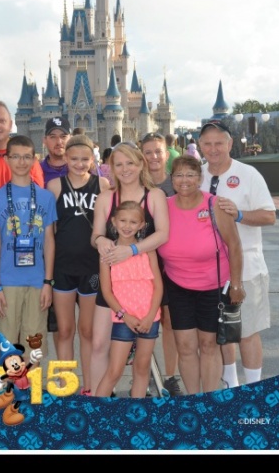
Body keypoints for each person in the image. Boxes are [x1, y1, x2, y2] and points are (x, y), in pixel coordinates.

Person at [157, 155, 244, 395]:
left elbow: (234, 246)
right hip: (177, 287)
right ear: (171, 179)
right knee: (185, 347)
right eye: (178, 175)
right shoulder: (163, 207)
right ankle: (193, 401)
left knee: (208, 345)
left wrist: (236, 284)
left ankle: (209, 401)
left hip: (213, 287)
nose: (184, 180)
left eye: (190, 174)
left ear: (199, 178)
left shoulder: (215, 205)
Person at [198, 120, 276, 387]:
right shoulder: (196, 176)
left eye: (219, 143)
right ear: (199, 146)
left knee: (247, 332)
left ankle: (253, 388)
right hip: (208, 271)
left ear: (230, 144)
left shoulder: (249, 174)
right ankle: (230, 384)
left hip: (247, 269)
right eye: (207, 143)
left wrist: (240, 214)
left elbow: (269, 215)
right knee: (222, 332)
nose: (213, 149)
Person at [90, 141, 169, 395]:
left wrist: (132, 250)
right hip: (114, 281)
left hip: (143, 280)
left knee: (141, 361)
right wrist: (101, 240)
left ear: (140, 164)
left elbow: (163, 235)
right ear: (111, 167)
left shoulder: (154, 195)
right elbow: (96, 236)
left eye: (130, 163)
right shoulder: (106, 197)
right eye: (119, 164)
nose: (125, 169)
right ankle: (100, 398)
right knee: (101, 343)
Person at [47, 135, 110, 395]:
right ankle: (65, 386)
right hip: (63, 266)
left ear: (93, 159)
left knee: (87, 331)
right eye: (74, 159)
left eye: (85, 159)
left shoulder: (102, 184)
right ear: (66, 159)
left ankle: (89, 387)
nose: (80, 163)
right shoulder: (54, 185)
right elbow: (50, 231)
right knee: (64, 330)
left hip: (91, 267)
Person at [0, 135, 57, 362]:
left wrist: (48, 282)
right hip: (7, 282)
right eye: (15, 156)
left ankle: (32, 393)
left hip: (37, 281)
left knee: (34, 343)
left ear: (34, 159)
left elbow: (49, 240)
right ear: (6, 159)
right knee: (5, 344)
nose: (21, 162)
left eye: (27, 157)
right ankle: (4, 394)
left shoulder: (46, 197)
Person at [95, 201, 163, 398]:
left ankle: (136, 417)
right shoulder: (107, 253)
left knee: (142, 369)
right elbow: (107, 291)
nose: (127, 226)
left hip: (149, 318)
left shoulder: (148, 250)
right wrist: (125, 316)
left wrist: (151, 316)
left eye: (133, 222)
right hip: (124, 319)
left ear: (142, 225)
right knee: (114, 371)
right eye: (123, 220)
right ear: (114, 222)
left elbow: (158, 286)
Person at [140, 132, 182, 396]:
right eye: (148, 152)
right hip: (140, 265)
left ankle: (169, 376)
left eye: (158, 151)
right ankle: (142, 377)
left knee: (168, 321)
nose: (154, 157)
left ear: (167, 154)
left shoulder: (176, 187)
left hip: (170, 265)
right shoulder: (136, 187)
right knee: (139, 322)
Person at [40, 116, 72, 348]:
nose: (58, 141)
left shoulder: (85, 170)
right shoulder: (36, 172)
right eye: (53, 136)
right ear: (45, 141)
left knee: (91, 328)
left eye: (63, 136)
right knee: (59, 327)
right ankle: (64, 381)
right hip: (49, 256)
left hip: (83, 256)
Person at [40, 116, 72, 186]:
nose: (59, 142)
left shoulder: (82, 169)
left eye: (63, 136)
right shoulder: (37, 171)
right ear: (44, 140)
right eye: (53, 137)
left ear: (71, 139)